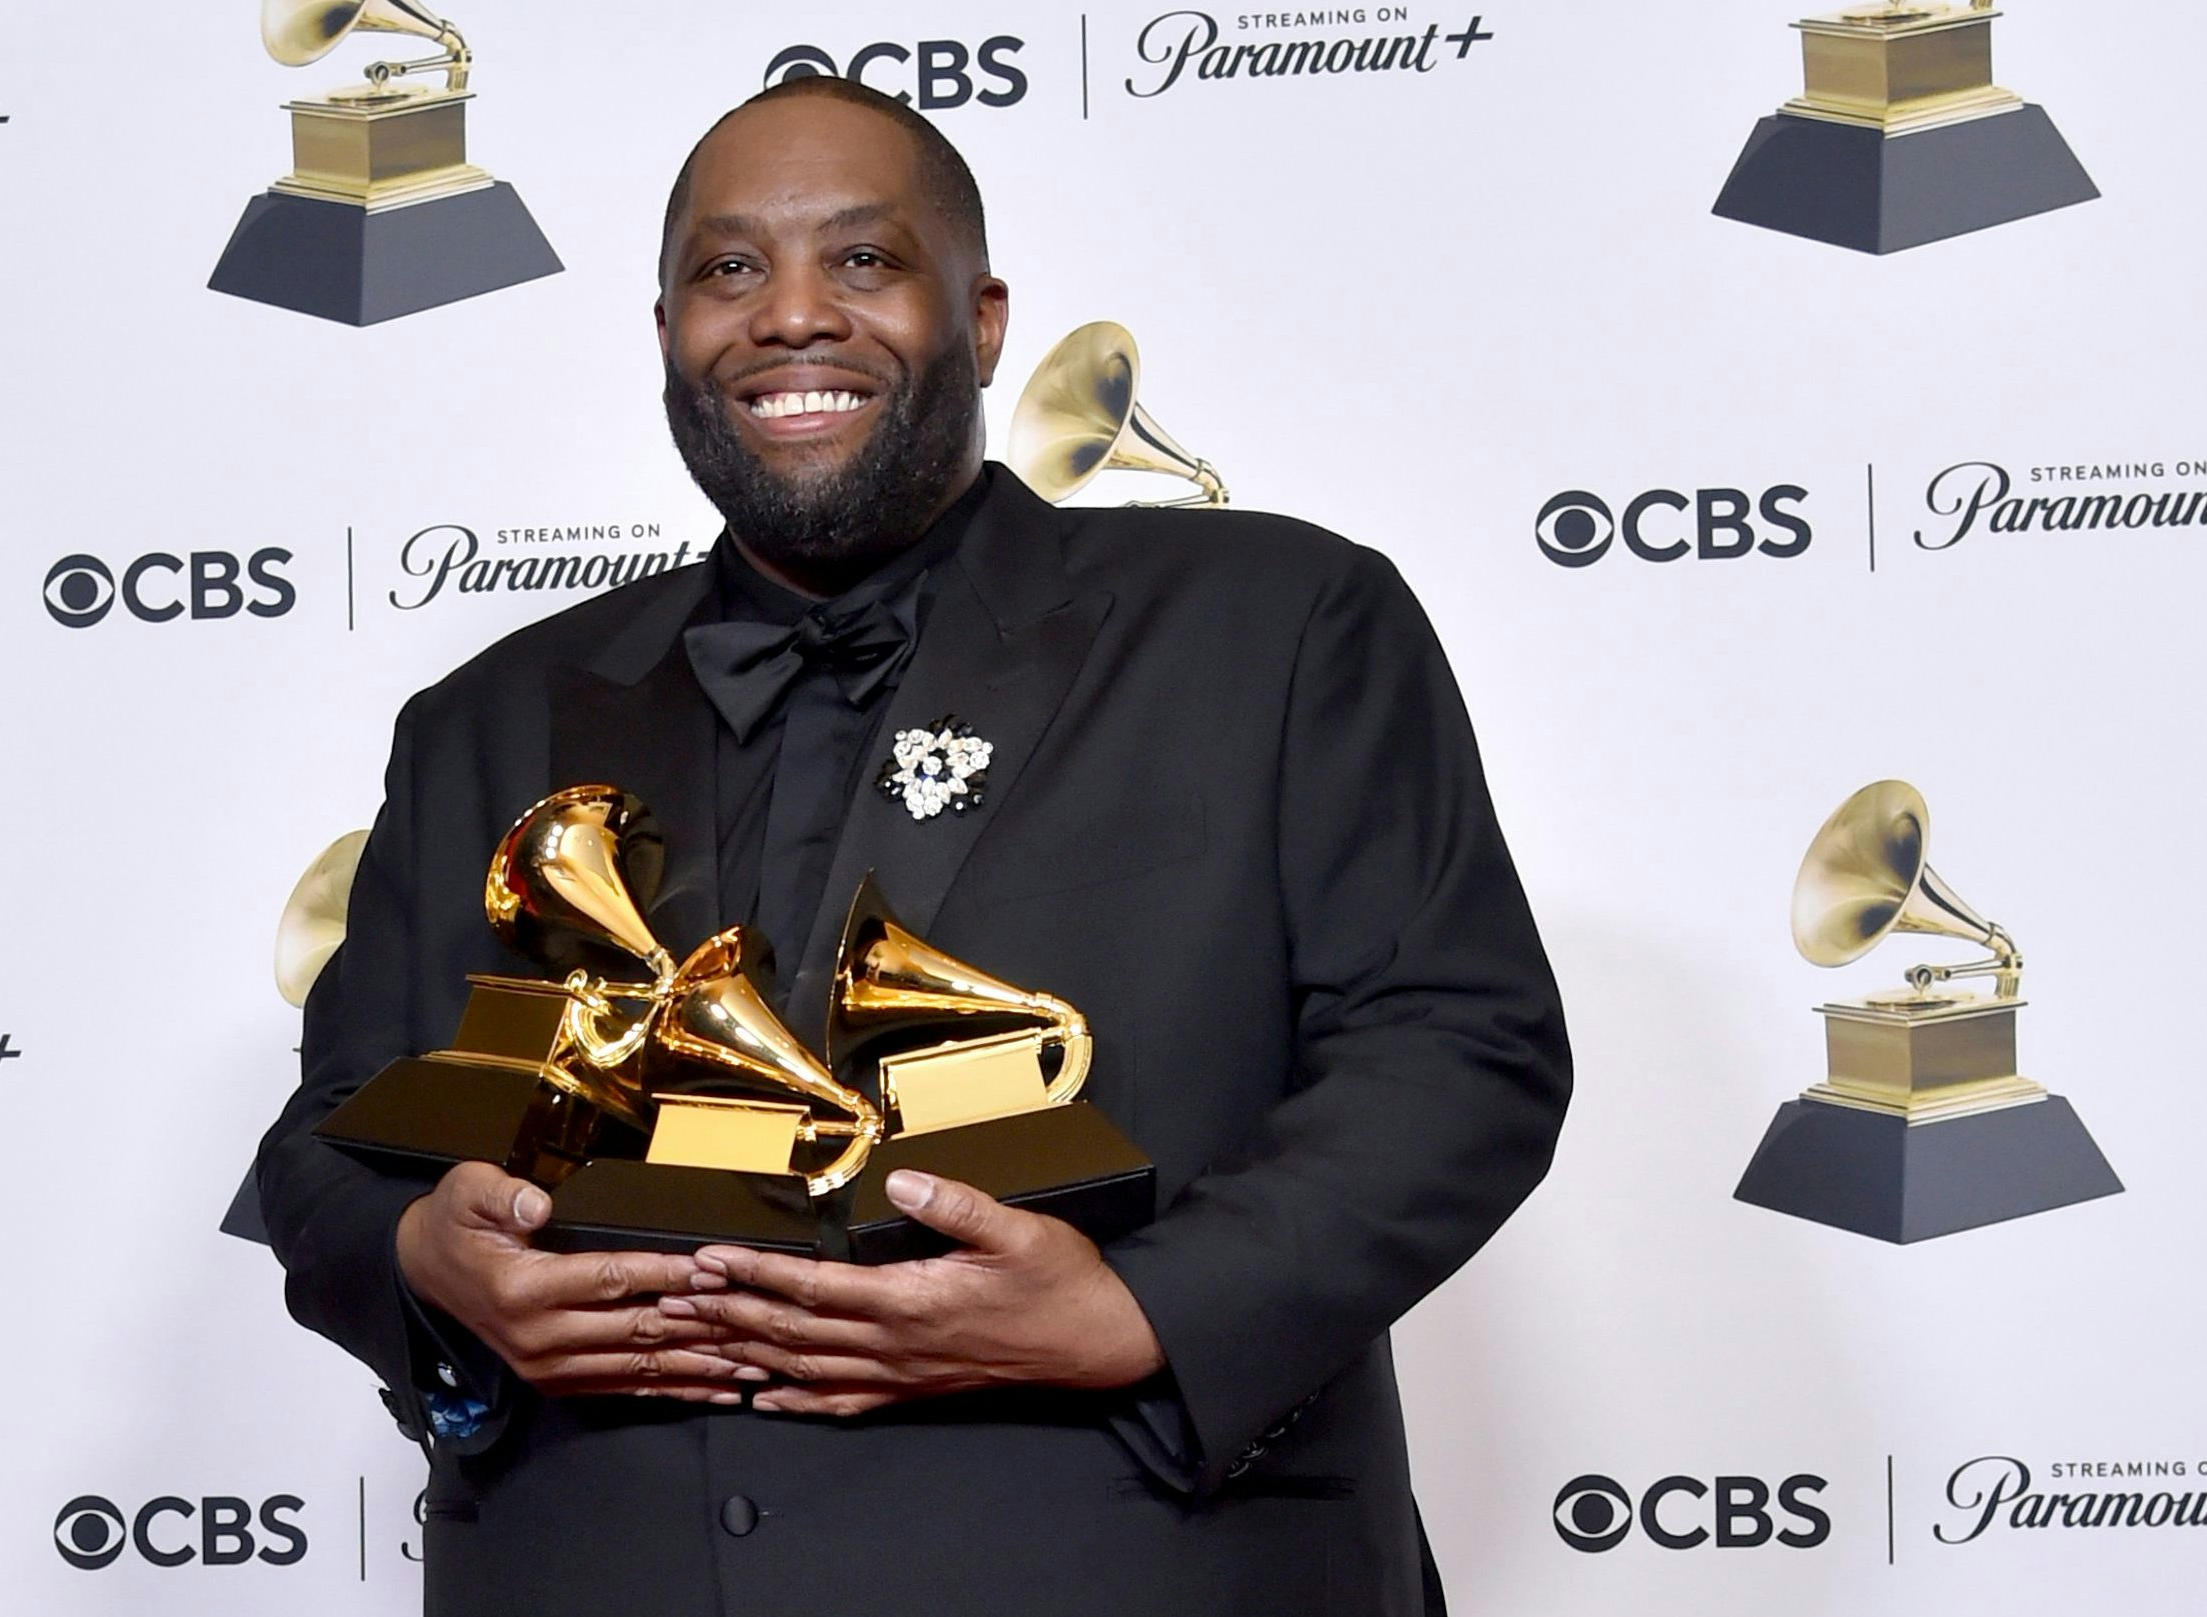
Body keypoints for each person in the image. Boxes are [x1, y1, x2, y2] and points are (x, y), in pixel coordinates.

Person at [253, 73, 1569, 1617]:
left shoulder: (1282, 624)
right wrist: (422, 1254)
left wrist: (1142, 1308)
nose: (790, 315)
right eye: (727, 270)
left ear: (986, 315)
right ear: (667, 327)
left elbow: (1458, 1048)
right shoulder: (485, 716)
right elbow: (335, 1136)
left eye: (863, 261)